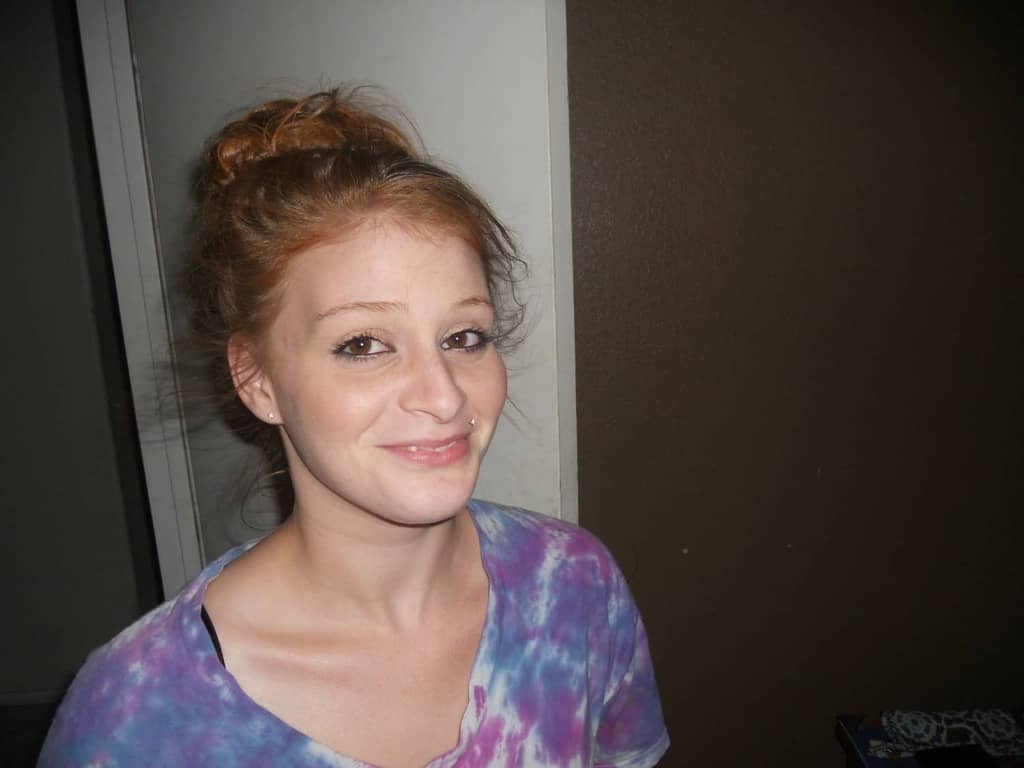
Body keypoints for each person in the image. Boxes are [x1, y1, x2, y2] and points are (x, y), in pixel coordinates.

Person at [40, 87, 669, 767]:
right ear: (257, 379)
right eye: (364, 344)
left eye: (463, 336)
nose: (443, 396)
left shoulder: (575, 586)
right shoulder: (135, 718)